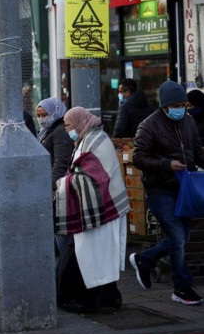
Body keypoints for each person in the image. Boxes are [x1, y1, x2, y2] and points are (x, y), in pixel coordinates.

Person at [130, 80, 204, 305]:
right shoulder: (148, 126)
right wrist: (166, 164)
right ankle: (182, 288)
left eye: (184, 104)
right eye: (178, 105)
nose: (181, 109)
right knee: (178, 237)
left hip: (184, 188)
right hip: (160, 188)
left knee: (182, 237)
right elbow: (138, 157)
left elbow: (196, 151)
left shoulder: (188, 122)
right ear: (165, 105)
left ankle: (145, 259)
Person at [55, 107, 129, 313]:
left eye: (69, 126)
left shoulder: (95, 140)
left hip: (103, 210)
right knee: (98, 256)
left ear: (79, 123)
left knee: (92, 256)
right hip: (100, 209)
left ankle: (91, 299)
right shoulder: (88, 138)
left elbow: (94, 177)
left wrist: (63, 184)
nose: (68, 130)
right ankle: (106, 297)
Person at [36, 97, 73, 192]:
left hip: (56, 186)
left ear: (54, 112)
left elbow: (61, 162)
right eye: (38, 116)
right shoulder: (47, 130)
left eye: (44, 115)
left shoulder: (60, 131)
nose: (41, 119)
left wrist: (51, 188)